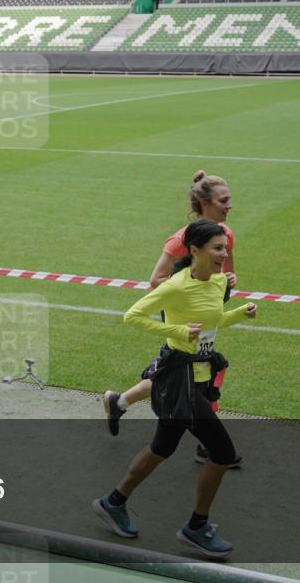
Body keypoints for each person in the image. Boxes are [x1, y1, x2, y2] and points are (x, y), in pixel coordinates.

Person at [93, 219, 256, 558]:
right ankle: (196, 527)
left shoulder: (217, 283)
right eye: (216, 248)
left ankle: (113, 502)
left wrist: (239, 313)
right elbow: (133, 315)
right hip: (177, 381)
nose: (223, 254)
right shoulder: (175, 286)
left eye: (224, 248)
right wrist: (178, 330)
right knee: (223, 453)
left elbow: (212, 323)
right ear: (194, 250)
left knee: (161, 448)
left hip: (198, 379)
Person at [104, 170, 239, 466]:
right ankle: (207, 443)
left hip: (206, 308)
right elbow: (157, 278)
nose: (230, 205)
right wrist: (184, 298)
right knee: (194, 370)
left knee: (180, 373)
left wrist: (226, 282)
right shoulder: (183, 238)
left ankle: (120, 401)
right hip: (182, 310)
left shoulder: (224, 235)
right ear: (205, 203)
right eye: (224, 200)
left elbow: (224, 277)